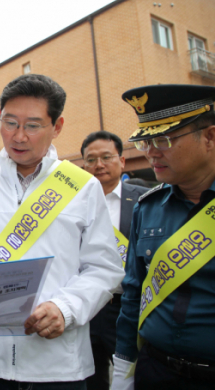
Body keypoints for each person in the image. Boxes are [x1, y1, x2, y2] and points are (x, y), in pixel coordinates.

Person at [0, 74, 124, 389]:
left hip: (59, 363)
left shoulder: (83, 187)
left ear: (58, 126)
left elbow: (103, 268)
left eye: (33, 125)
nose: (19, 136)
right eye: (10, 123)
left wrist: (65, 309)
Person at [112, 84, 215, 390]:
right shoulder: (148, 207)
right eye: (146, 142)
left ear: (210, 137)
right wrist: (123, 369)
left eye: (164, 139)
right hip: (156, 371)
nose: (151, 152)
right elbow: (133, 295)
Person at [80, 131, 148, 390]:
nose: (99, 165)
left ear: (122, 161)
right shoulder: (75, 201)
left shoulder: (145, 198)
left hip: (128, 306)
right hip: (89, 307)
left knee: (132, 374)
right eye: (91, 159)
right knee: (90, 377)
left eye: (106, 157)